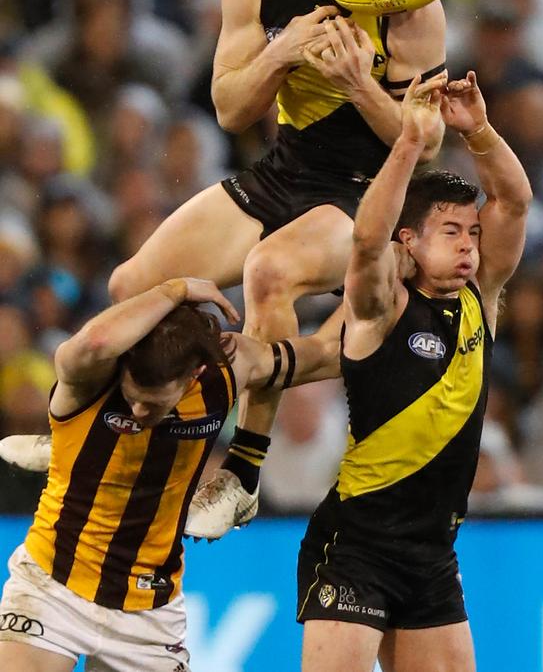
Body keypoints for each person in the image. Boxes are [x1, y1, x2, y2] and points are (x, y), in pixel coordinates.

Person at [104, 0, 448, 534]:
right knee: (128, 288)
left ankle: (243, 472)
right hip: (282, 173)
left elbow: (426, 145)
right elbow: (231, 109)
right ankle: (100, 438)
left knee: (268, 273)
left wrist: (359, 83)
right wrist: (282, 52)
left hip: (364, 193)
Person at [296, 70, 532, 672]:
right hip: (357, 547)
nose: (468, 246)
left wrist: (477, 129)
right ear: (411, 239)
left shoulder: (483, 299)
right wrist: (408, 142)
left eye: (472, 234)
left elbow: (514, 201)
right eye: (450, 232)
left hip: (433, 558)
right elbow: (368, 242)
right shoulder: (381, 309)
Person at [0, 276, 341, 672]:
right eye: (134, 398)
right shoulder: (90, 377)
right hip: (52, 588)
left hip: (150, 612)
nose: (140, 412)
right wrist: (173, 290)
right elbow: (95, 340)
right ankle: (57, 446)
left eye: (154, 402)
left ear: (193, 376)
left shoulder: (227, 375)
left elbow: (325, 353)